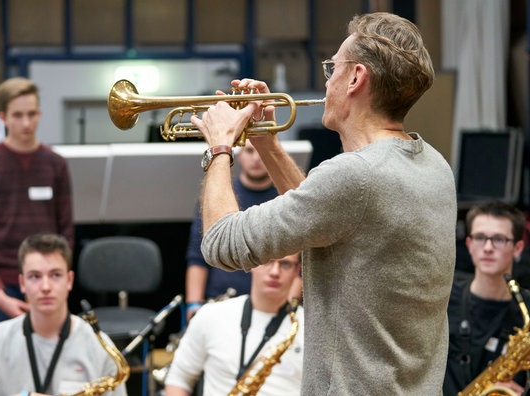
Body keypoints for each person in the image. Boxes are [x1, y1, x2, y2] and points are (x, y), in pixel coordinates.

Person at [192, 12, 456, 395]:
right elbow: (325, 219)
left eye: (333, 66)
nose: (327, 78)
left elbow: (221, 244)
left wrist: (219, 146)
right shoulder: (433, 164)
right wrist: (266, 143)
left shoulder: (355, 176)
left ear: (355, 78)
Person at [0, 233, 127, 396]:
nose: (45, 287)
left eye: (56, 275)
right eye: (35, 276)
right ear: (22, 283)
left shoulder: (100, 347)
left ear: (70, 280)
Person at [0, 77, 75, 331]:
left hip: (46, 284)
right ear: (3, 118)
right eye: (17, 115)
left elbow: (66, 231)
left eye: (31, 114)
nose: (26, 123)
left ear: (39, 114)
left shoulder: (55, 164)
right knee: (1, 364)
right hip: (4, 288)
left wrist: (56, 281)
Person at [165, 253, 304, 396]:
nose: (275, 272)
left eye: (285, 264)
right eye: (267, 261)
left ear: (297, 270)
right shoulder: (211, 315)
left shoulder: (311, 329)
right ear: (251, 264)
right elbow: (178, 379)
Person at [185, 140, 279, 319]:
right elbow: (197, 254)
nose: (256, 158)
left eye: (261, 150)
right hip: (221, 302)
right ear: (239, 154)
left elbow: (299, 260)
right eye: (250, 151)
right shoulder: (217, 196)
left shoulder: (286, 195)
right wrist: (194, 304)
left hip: (272, 307)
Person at [443, 201, 528, 395]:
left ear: (518, 248)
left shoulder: (526, 310)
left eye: (499, 239)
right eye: (480, 237)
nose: (488, 247)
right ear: (469, 244)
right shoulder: (444, 300)